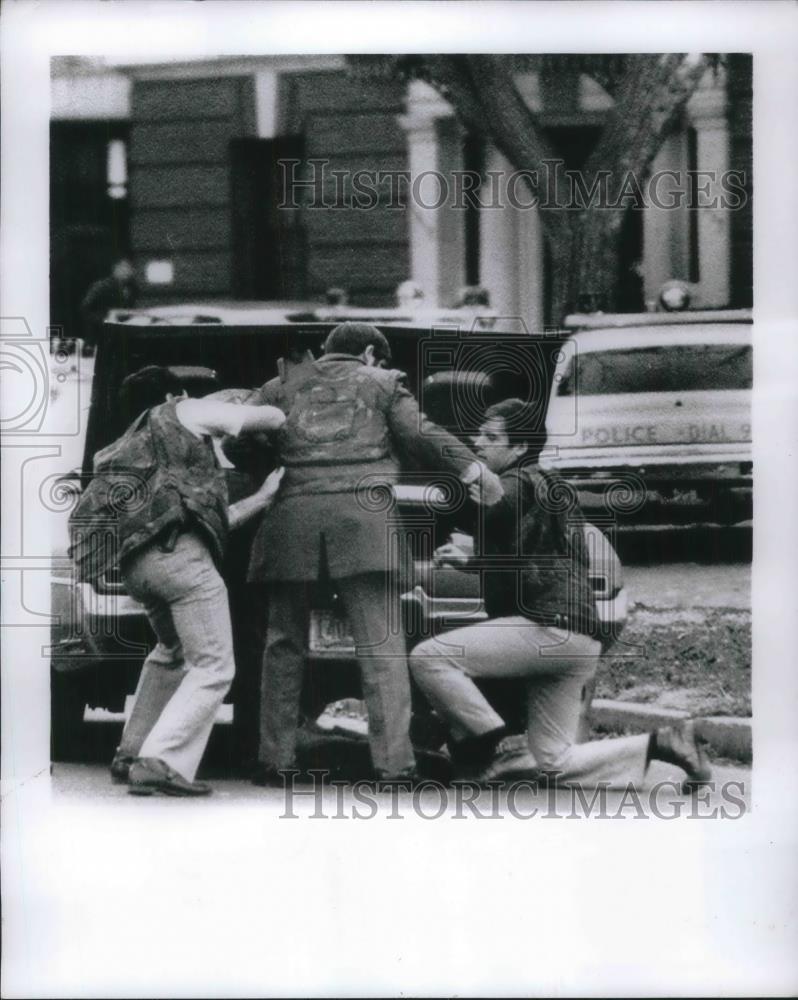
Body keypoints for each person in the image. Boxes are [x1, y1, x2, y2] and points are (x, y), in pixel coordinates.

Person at [409, 398, 713, 790]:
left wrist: (441, 448)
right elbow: (537, 558)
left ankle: (500, 746)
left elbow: (501, 506)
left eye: (491, 437)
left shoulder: (517, 483)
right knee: (553, 762)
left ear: (519, 448)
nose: (478, 442)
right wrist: (475, 559)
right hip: (582, 637)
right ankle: (668, 743)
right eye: (479, 434)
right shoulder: (553, 488)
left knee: (429, 657)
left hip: (549, 628)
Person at [247, 321, 500, 784]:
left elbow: (241, 436)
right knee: (381, 647)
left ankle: (273, 760)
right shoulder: (383, 384)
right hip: (364, 527)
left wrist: (272, 469)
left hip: (291, 526)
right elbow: (422, 434)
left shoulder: (279, 385)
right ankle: (394, 766)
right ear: (369, 354)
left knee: (282, 645)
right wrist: (473, 470)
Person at [103, 366, 285, 796]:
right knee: (215, 666)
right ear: (175, 393)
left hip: (137, 566)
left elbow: (216, 521)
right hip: (183, 564)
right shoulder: (183, 409)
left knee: (173, 651)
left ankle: (130, 751)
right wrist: (272, 408)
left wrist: (260, 498)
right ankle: (160, 760)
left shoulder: (124, 446)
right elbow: (267, 419)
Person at [79, 258, 139, 354]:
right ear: (115, 269)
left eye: (130, 269)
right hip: (100, 338)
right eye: (124, 268)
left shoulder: (132, 289)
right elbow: (86, 308)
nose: (128, 272)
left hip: (121, 338)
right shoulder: (101, 286)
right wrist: (107, 317)